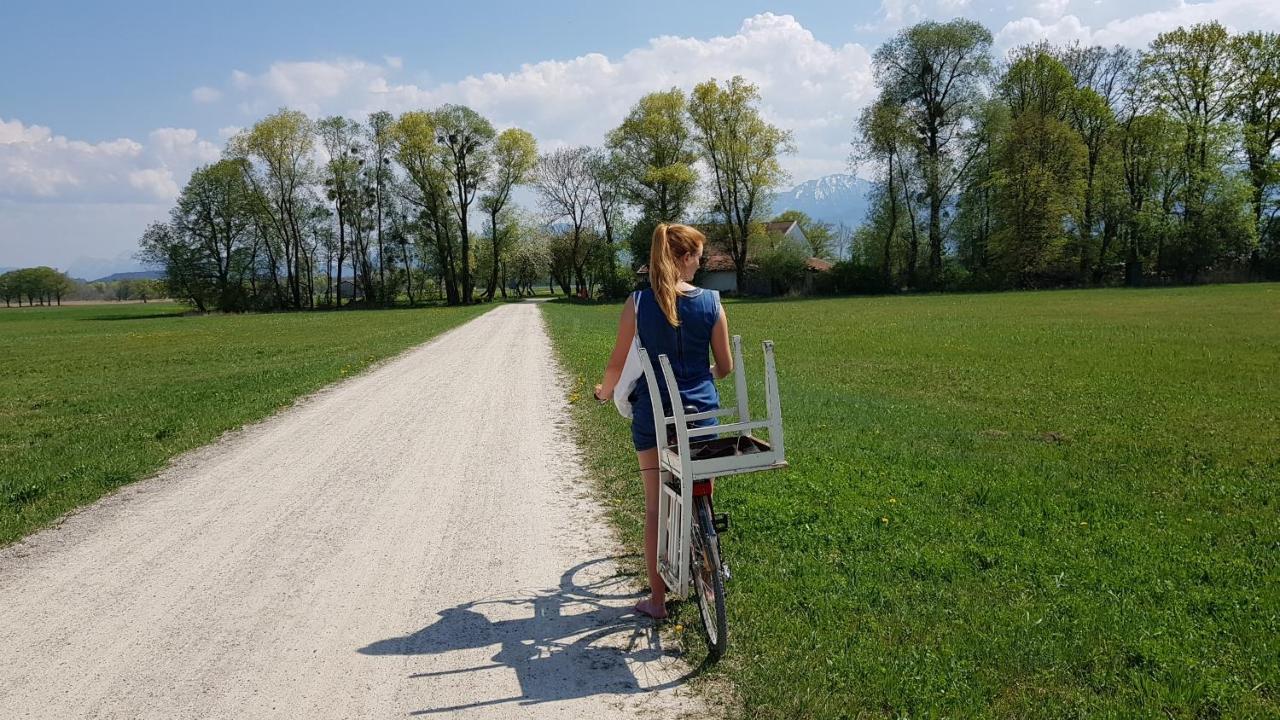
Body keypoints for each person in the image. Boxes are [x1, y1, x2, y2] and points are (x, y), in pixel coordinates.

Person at [592, 223, 734, 620]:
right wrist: (704, 370)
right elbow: (725, 367)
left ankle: (657, 601)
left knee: (656, 507)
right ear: (684, 257)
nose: (698, 267)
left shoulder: (637, 304)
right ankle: (708, 559)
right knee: (700, 489)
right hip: (702, 417)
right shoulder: (712, 303)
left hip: (654, 419)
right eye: (697, 259)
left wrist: (604, 393)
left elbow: (617, 365)